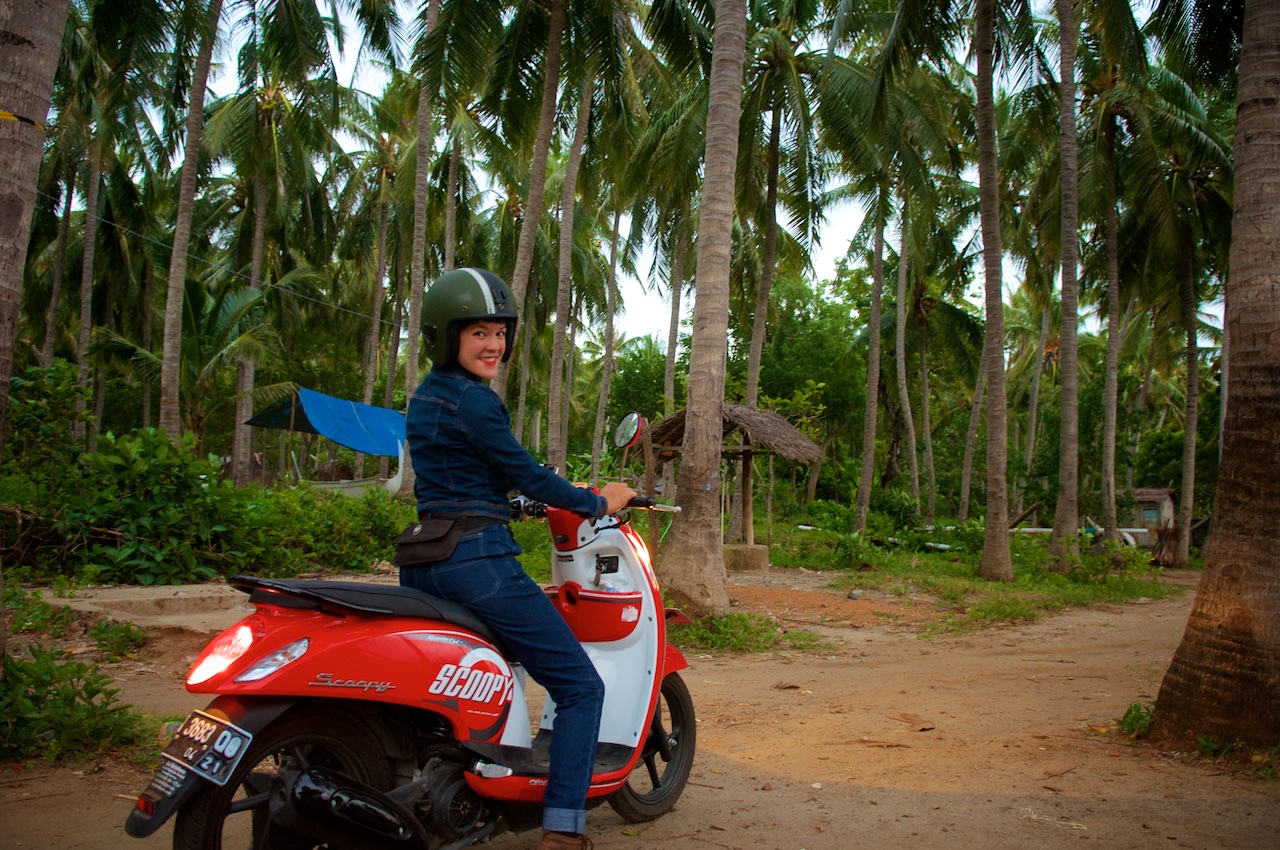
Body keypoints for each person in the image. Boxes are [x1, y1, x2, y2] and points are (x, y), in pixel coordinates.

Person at [400, 267, 635, 850]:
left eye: (500, 333)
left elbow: (466, 476)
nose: (494, 345)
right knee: (580, 687)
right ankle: (562, 827)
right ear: (445, 336)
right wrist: (595, 501)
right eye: (478, 332)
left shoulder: (426, 397)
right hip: (479, 563)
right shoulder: (476, 402)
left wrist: (517, 501)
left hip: (426, 558)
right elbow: (525, 470)